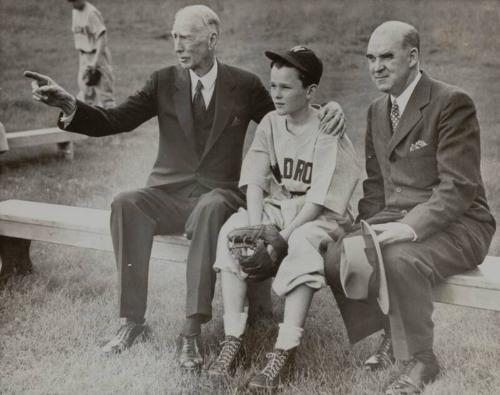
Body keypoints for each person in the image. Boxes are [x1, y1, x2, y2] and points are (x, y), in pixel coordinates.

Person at [24, 5, 345, 371]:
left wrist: (329, 108)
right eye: (174, 36)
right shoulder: (163, 81)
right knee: (126, 203)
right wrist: (71, 105)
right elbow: (117, 119)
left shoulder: (244, 85)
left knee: (210, 206)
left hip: (220, 196)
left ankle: (190, 331)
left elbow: (289, 114)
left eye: (186, 36)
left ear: (212, 39)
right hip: (169, 195)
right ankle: (132, 322)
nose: (177, 44)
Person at [323, 21, 495, 395]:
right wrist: (357, 228)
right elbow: (375, 187)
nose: (376, 67)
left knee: (400, 258)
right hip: (397, 214)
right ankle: (390, 334)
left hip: (462, 222)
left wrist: (409, 227)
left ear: (413, 57)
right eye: (370, 58)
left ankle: (420, 360)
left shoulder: (451, 103)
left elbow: (459, 187)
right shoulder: (375, 110)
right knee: (337, 250)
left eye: (387, 57)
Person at [207, 46, 360, 390]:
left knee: (303, 245)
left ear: (309, 92)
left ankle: (285, 350)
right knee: (234, 230)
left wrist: (281, 237)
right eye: (273, 85)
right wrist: (256, 226)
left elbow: (319, 201)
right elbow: (256, 181)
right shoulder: (270, 123)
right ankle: (234, 338)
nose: (276, 94)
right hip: (283, 206)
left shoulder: (327, 128)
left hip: (322, 215)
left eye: (286, 87)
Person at [68, 0, 115, 108]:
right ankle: (90, 124)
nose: (73, 4)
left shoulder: (91, 13)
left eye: (75, 1)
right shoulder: (75, 11)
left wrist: (96, 61)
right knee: (86, 95)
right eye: (71, 2)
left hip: (97, 56)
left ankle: (113, 124)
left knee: (105, 97)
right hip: (84, 56)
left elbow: (102, 38)